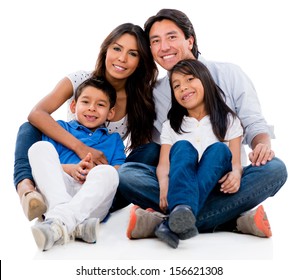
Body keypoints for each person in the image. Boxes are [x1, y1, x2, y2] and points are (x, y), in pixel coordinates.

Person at [119, 8, 288, 242]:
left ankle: (168, 220)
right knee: (129, 174)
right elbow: (164, 155)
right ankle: (230, 219)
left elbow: (254, 125)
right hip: (181, 179)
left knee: (275, 169)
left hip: (227, 182)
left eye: (171, 37)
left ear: (190, 40)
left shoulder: (229, 73)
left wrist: (262, 146)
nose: (164, 47)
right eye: (155, 41)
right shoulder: (156, 94)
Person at [13, 23, 158, 221]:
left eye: (133, 53)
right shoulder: (80, 79)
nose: (122, 58)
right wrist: (80, 148)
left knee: (150, 151)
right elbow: (36, 113)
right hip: (68, 168)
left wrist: (107, 170)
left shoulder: (140, 100)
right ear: (106, 50)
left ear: (141, 61)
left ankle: (80, 209)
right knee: (29, 129)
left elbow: (136, 160)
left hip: (102, 178)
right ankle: (27, 189)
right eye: (117, 48)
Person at [153, 59, 243, 248]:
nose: (183, 88)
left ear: (205, 80)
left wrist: (235, 174)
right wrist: (163, 185)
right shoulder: (171, 126)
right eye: (176, 86)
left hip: (218, 189)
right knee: (182, 148)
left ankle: (173, 218)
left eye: (190, 79)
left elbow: (235, 162)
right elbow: (163, 164)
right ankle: (187, 213)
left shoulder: (229, 120)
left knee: (220, 150)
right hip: (179, 183)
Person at [29, 78, 126, 251]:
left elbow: (119, 171)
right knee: (39, 148)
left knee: (108, 173)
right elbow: (47, 166)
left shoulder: (114, 140)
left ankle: (57, 222)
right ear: (73, 106)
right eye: (86, 102)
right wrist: (70, 169)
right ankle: (76, 225)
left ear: (110, 113)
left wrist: (94, 171)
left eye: (100, 104)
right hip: (59, 193)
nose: (92, 108)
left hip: (92, 201)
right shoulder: (61, 129)